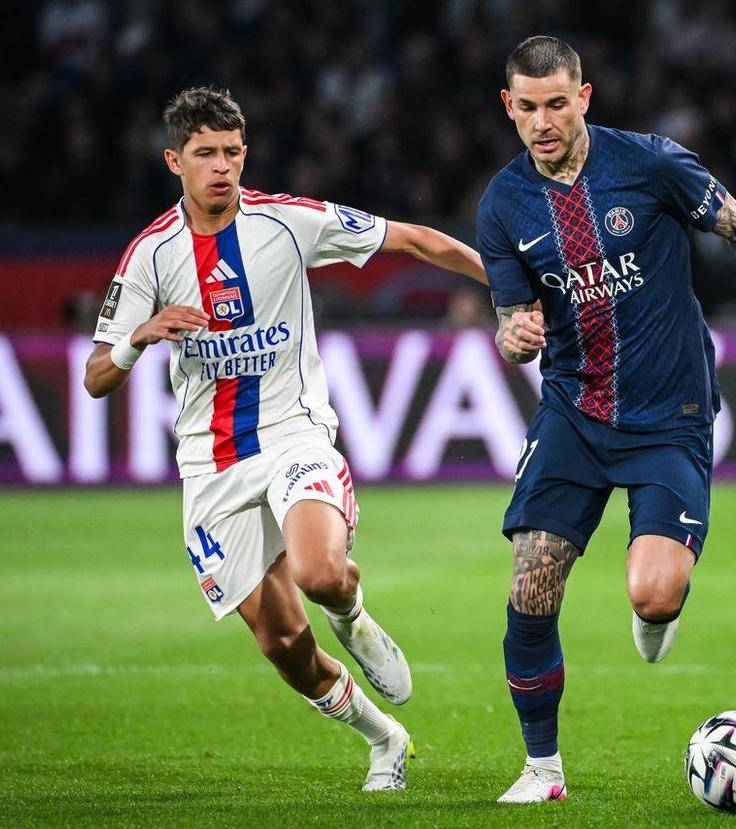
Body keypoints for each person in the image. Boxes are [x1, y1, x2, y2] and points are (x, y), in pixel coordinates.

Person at [83, 87, 486, 791]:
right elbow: (95, 377)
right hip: (211, 465)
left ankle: (353, 618)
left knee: (320, 573)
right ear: (174, 160)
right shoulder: (150, 255)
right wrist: (139, 337)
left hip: (294, 434)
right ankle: (384, 738)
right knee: (284, 644)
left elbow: (415, 239)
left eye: (232, 152)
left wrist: (511, 286)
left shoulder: (288, 222)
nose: (221, 167)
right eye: (205, 154)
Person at [476, 37, 736, 803]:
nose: (544, 121)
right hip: (574, 410)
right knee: (531, 585)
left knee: (653, 593)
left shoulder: (649, 164)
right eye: (528, 107)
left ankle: (659, 610)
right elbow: (510, 321)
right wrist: (515, 337)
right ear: (509, 106)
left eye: (558, 103)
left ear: (584, 97)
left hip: (670, 413)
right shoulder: (503, 204)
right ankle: (542, 769)